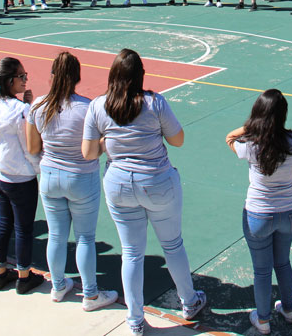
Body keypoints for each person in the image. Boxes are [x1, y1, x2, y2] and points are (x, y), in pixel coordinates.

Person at [82, 49, 208, 335]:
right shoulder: (154, 102)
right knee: (172, 244)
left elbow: (88, 152)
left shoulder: (98, 105)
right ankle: (189, 301)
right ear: (140, 75)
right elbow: (178, 140)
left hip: (119, 184)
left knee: (131, 253)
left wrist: (110, 140)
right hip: (157, 181)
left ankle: (135, 319)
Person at [24, 52, 118, 309]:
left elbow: (32, 147)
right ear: (77, 78)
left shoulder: (38, 106)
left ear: (52, 75)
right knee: (85, 237)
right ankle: (91, 294)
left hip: (50, 176)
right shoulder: (88, 108)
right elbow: (96, 148)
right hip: (81, 178)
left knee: (56, 235)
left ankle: (57, 286)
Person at [226, 90, 292, 334]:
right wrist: (288, 194)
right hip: (289, 212)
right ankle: (289, 310)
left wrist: (251, 126)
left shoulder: (252, 145)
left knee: (261, 270)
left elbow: (230, 138)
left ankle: (263, 320)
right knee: (283, 262)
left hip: (259, 214)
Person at [0, 57, 45, 294]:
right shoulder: (20, 111)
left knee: (4, 223)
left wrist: (24, 105)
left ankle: (0, 272)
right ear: (9, 81)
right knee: (23, 228)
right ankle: (24, 276)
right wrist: (37, 167)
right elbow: (29, 147)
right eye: (21, 77)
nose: (25, 80)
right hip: (20, 177)